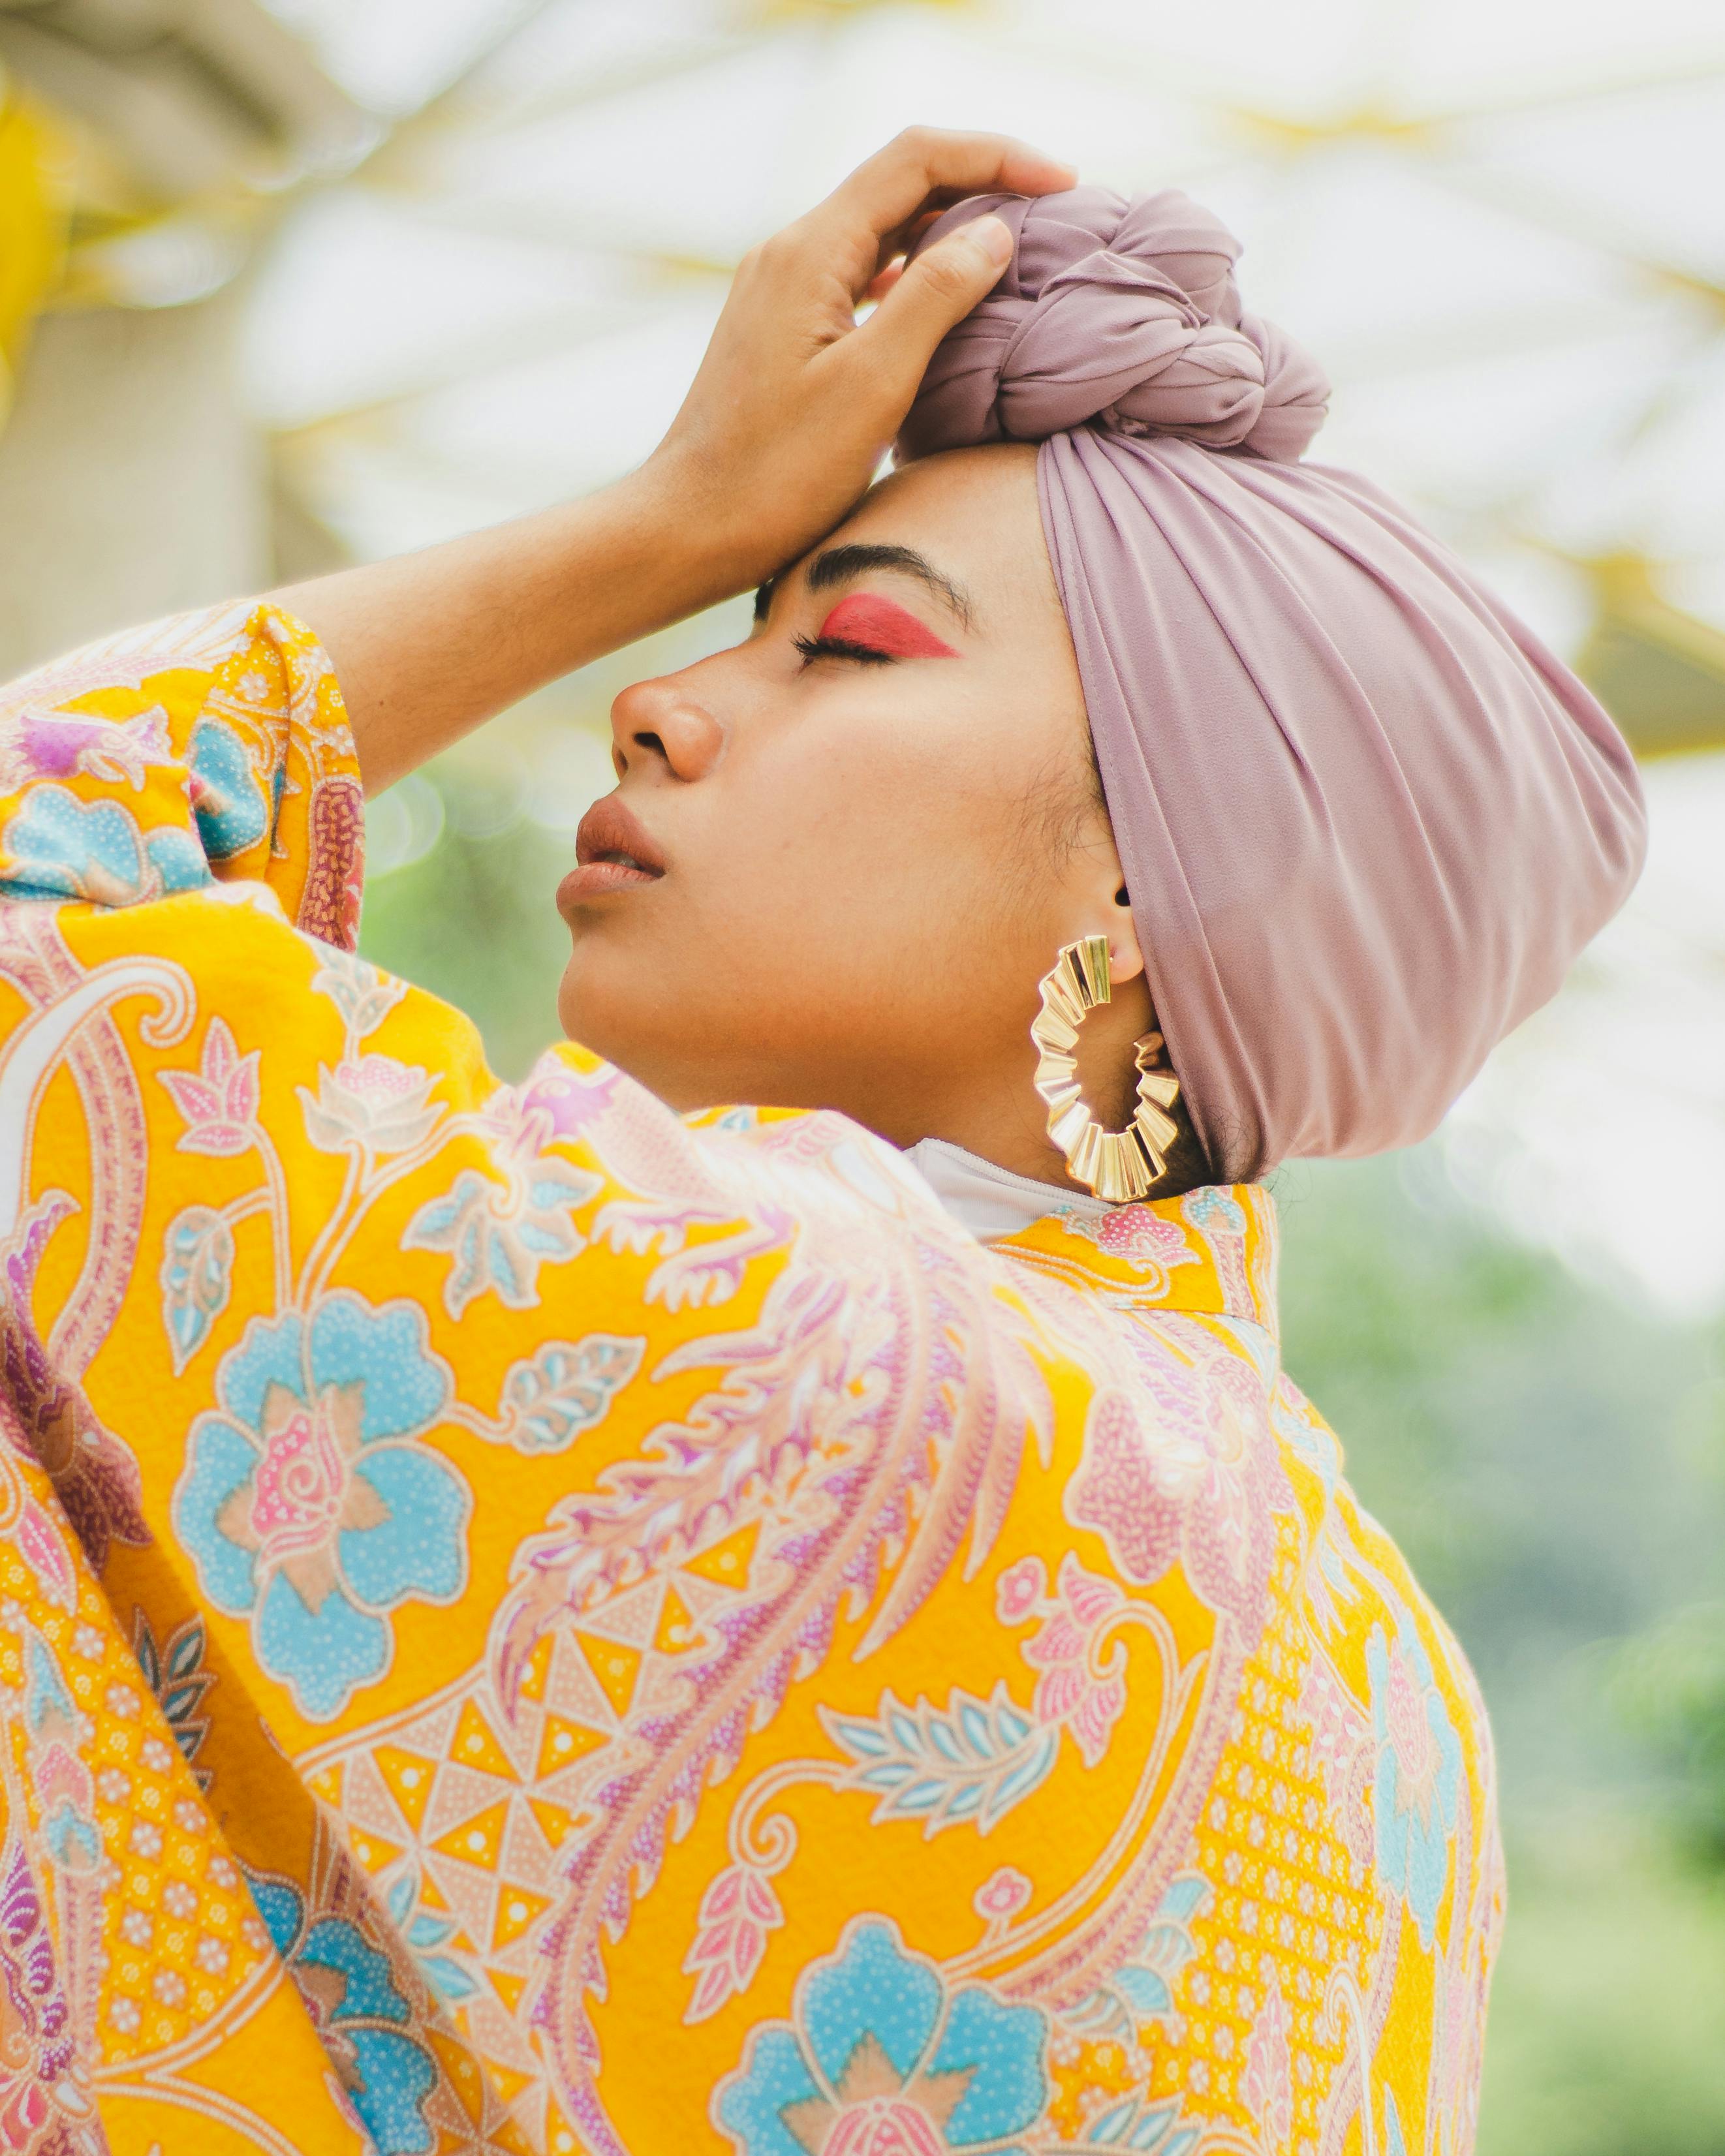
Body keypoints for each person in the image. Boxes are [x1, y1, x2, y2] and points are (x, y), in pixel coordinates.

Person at [0, 129, 1643, 2156]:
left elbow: (35, 903)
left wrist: (667, 513)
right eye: (724, 609)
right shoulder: (1388, 1675)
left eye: (841, 646)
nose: (660, 700)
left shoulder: (832, 1354)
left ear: (1152, 911)